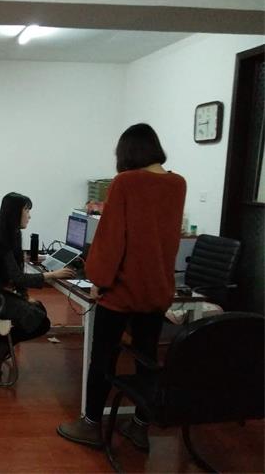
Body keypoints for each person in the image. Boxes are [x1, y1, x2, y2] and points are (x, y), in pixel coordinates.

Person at [57, 124, 186, 451]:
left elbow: (111, 238)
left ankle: (91, 424)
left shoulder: (125, 182)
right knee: (147, 359)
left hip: (122, 291)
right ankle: (140, 425)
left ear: (127, 152)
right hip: (157, 290)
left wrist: (98, 280)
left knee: (103, 358)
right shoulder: (178, 184)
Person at [0, 192, 75, 377]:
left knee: (37, 310)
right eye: (26, 210)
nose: (29, 216)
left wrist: (24, 296)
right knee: (41, 321)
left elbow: (15, 274)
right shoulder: (1, 240)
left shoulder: (7, 235)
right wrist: (52, 275)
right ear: (14, 213)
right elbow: (18, 278)